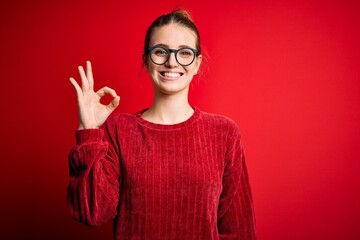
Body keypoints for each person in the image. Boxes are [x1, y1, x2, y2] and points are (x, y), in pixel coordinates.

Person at [67, 9, 257, 240]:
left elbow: (240, 231)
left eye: (184, 53)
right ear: (146, 61)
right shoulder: (119, 129)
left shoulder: (224, 132)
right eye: (160, 52)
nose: (171, 61)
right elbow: (92, 213)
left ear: (197, 64)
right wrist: (88, 130)